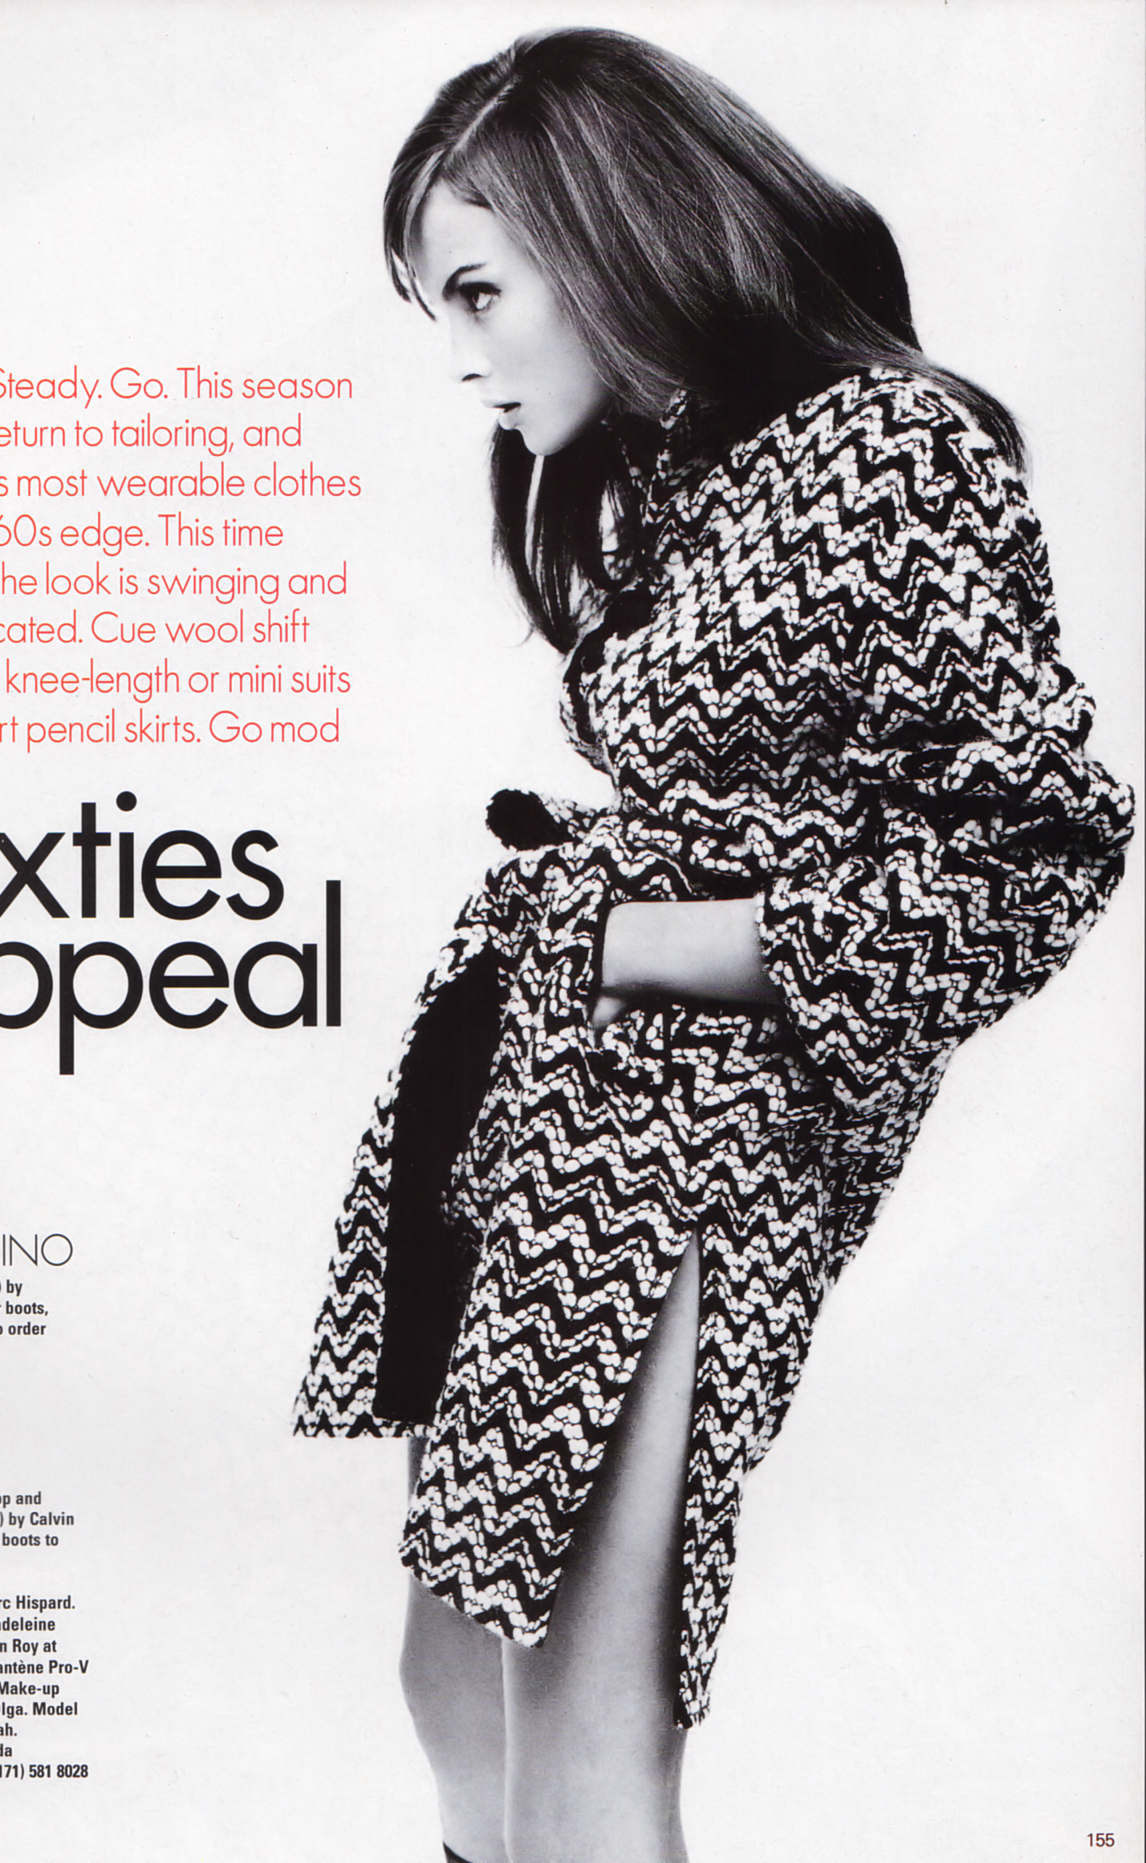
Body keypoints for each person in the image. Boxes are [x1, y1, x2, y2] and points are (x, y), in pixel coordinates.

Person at [294, 28, 1132, 1863]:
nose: (459, 355)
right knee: (451, 1686)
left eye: (477, 292)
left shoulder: (888, 450)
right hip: (559, 1112)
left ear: (610, 232)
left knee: (582, 1725)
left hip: (699, 1141)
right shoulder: (683, 477)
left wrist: (654, 942)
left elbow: (1037, 850)